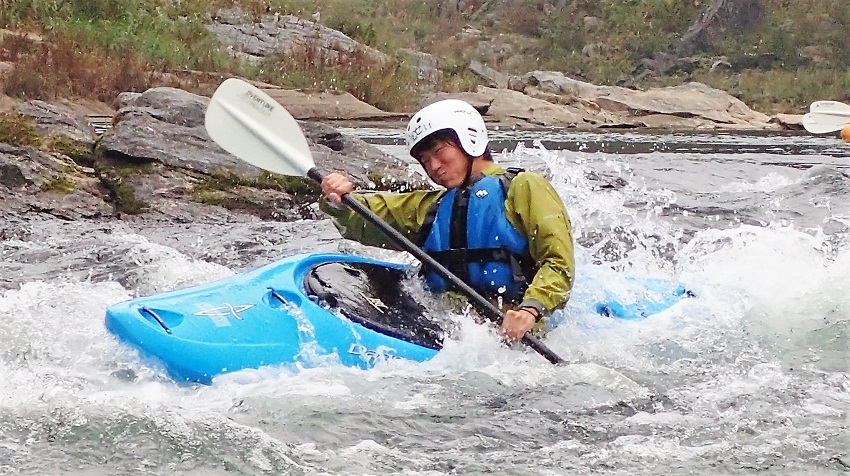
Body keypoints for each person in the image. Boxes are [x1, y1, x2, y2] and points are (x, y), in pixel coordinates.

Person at [319, 99, 574, 341]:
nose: (434, 167)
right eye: (425, 161)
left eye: (439, 151)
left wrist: (530, 310)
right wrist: (339, 198)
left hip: (520, 332)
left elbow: (558, 263)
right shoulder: (434, 206)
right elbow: (367, 215)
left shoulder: (523, 187)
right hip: (451, 332)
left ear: (469, 140)